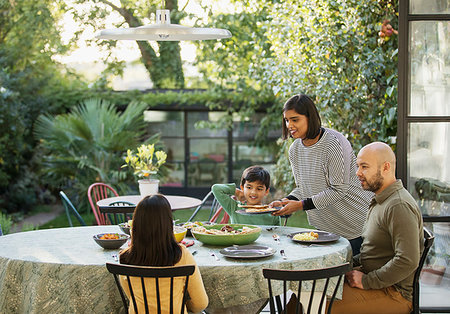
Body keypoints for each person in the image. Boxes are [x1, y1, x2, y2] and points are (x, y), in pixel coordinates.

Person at [270, 94, 373, 255]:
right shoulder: (295, 149)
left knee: (351, 279)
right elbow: (303, 188)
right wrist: (288, 201)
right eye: (286, 120)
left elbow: (338, 189)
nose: (289, 125)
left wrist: (301, 205)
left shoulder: (333, 143)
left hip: (356, 227)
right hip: (325, 230)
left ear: (310, 118)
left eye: (295, 119)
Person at [330, 142, 424, 314]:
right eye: (358, 166)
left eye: (364, 167)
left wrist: (366, 282)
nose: (358, 173)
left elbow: (408, 260)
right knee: (304, 296)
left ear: (386, 167)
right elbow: (372, 251)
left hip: (394, 293)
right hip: (372, 280)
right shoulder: (380, 200)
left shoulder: (398, 205)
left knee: (317, 305)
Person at [119, 194, 208, 314]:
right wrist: (183, 304)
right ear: (168, 225)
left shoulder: (125, 257)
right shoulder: (181, 255)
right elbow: (200, 303)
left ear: (135, 225)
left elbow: (131, 296)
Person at [212, 165, 281, 225]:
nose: (253, 192)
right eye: (249, 187)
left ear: (266, 191)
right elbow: (216, 188)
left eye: (259, 189)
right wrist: (237, 192)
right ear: (242, 187)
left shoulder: (272, 214)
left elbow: (277, 235)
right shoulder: (234, 207)